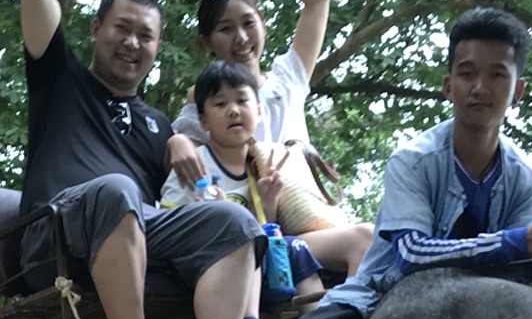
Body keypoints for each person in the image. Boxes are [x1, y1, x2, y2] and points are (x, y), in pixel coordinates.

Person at [18, 0, 261, 319]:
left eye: (145, 36)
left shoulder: (158, 125)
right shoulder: (59, 77)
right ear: (94, 29)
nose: (132, 43)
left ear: (157, 47)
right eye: (122, 29)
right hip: (57, 239)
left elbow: (184, 198)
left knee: (233, 222)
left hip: (132, 238)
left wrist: (181, 145)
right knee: (117, 188)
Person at [271, 8, 532, 319]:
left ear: (517, 90)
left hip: (480, 311)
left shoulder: (524, 178)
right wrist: (520, 241)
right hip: (382, 298)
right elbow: (410, 254)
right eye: (467, 73)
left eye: (497, 75)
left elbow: (521, 271)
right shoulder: (412, 161)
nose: (480, 87)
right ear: (448, 85)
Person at [159, 60, 374, 295]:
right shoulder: (193, 164)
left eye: (242, 101)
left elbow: (264, 231)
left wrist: (268, 201)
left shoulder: (267, 159)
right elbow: (170, 228)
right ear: (203, 121)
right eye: (220, 104)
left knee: (366, 237)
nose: (233, 110)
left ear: (258, 111)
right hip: (217, 266)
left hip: (274, 252)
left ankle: (348, 315)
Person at [172, 0, 331, 152]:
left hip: (299, 187)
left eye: (249, 23)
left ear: (263, 24)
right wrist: (176, 143)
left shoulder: (288, 80)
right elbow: (190, 165)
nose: (242, 37)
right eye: (226, 29)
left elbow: (318, 0)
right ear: (206, 42)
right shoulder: (203, 99)